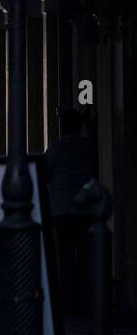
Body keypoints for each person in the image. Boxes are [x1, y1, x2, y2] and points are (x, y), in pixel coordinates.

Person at [42, 108, 98, 317]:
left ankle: (67, 303)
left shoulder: (56, 149)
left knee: (65, 257)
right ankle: (84, 301)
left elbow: (45, 174)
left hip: (62, 210)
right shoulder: (89, 146)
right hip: (85, 209)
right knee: (84, 255)